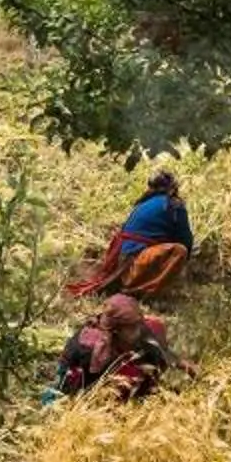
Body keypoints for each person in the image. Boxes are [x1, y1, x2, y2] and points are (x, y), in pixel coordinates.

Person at [67, 165, 194, 302]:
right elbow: (186, 240)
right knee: (179, 251)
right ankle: (141, 294)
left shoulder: (142, 203)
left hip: (121, 260)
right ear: (173, 188)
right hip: (134, 262)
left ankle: (128, 285)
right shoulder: (173, 205)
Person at [53, 293, 173, 402]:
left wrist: (177, 362)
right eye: (133, 328)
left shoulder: (136, 331)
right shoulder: (92, 349)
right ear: (116, 330)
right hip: (83, 380)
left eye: (138, 325)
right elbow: (90, 384)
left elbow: (157, 350)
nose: (139, 331)